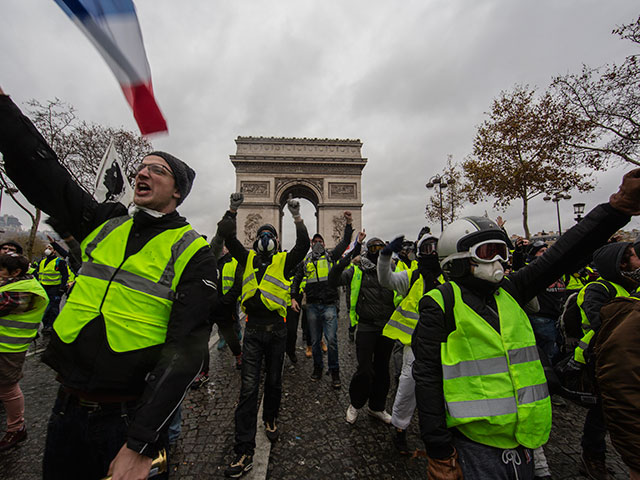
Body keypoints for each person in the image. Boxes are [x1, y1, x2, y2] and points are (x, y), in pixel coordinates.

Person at [0, 87, 217, 480]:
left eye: (158, 169)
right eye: (141, 166)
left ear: (178, 192)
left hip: (126, 418)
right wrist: (3, 109)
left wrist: (141, 442)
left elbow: (185, 353)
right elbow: (49, 178)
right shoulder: (104, 223)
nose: (142, 172)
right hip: (65, 407)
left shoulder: (193, 252)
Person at [412, 170, 640, 480]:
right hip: (474, 446)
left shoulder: (511, 290)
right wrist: (439, 451)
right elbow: (426, 379)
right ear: (457, 257)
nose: (500, 261)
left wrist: (617, 208)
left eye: (502, 251)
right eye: (487, 252)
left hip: (527, 439)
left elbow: (565, 253)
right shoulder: (439, 303)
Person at [215, 192, 309, 478]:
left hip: (277, 331)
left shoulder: (285, 261)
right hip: (254, 331)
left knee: (274, 382)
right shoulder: (245, 258)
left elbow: (303, 245)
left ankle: (270, 417)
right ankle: (243, 450)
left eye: (270, 234)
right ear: (255, 240)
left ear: (277, 241)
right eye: (262, 233)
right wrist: (232, 210)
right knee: (247, 389)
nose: (266, 238)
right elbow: (228, 236)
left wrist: (296, 216)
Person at [572, 241, 640, 480]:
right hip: (602, 358)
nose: (638, 261)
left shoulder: (630, 286)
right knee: (601, 412)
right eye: (633, 256)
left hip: (628, 358)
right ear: (620, 263)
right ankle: (592, 457)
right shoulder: (598, 289)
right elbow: (602, 323)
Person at [377, 233, 442, 455]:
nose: (432, 253)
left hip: (447, 345)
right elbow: (386, 280)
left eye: (436, 248)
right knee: (407, 388)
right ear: (419, 252)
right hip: (415, 345)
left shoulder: (452, 276)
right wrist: (385, 257)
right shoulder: (412, 276)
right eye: (427, 249)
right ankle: (400, 429)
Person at [328, 233, 396, 425]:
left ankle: (377, 407)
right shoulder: (357, 269)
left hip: (387, 327)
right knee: (365, 369)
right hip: (366, 326)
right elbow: (333, 280)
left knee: (383, 370)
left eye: (381, 249)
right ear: (367, 252)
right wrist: (346, 259)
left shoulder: (393, 269)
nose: (378, 253)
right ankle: (355, 404)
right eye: (374, 249)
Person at [294, 210, 354, 387]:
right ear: (311, 244)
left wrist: (349, 224)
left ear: (324, 243)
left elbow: (344, 243)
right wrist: (293, 297)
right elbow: (297, 279)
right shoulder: (305, 262)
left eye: (320, 241)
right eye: (315, 241)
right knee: (314, 341)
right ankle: (318, 368)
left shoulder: (330, 256)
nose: (318, 243)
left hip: (328, 305)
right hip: (312, 305)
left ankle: (335, 372)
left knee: (332, 340)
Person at [0, 253, 49, 451]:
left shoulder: (23, 290)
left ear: (16, 272)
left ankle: (16, 428)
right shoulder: (14, 284)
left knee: (7, 388)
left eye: (2, 269)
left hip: (8, 348)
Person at [595, 274, 640, 480]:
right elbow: (622, 389)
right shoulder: (598, 287)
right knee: (596, 417)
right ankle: (592, 456)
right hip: (593, 358)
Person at [35, 244, 69, 332]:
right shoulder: (42, 261)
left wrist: (62, 288)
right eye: (46, 248)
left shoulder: (59, 262)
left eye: (50, 248)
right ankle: (46, 324)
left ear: (54, 251)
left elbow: (65, 275)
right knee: (44, 308)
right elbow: (37, 273)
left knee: (53, 307)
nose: (47, 249)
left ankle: (51, 325)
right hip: (43, 287)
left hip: (55, 288)